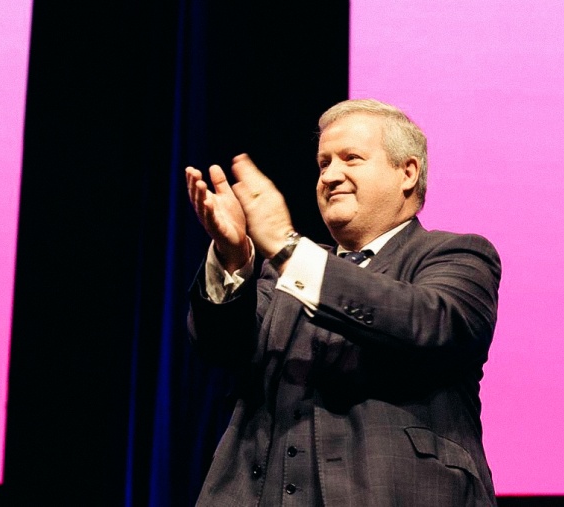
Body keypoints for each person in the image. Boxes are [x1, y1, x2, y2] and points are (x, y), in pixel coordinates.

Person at [185, 99, 501, 506]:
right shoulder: (280, 273)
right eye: (323, 164)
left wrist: (287, 250)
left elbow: (430, 322)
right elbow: (220, 349)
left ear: (407, 172)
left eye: (351, 158)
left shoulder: (458, 255)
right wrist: (233, 259)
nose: (331, 176)